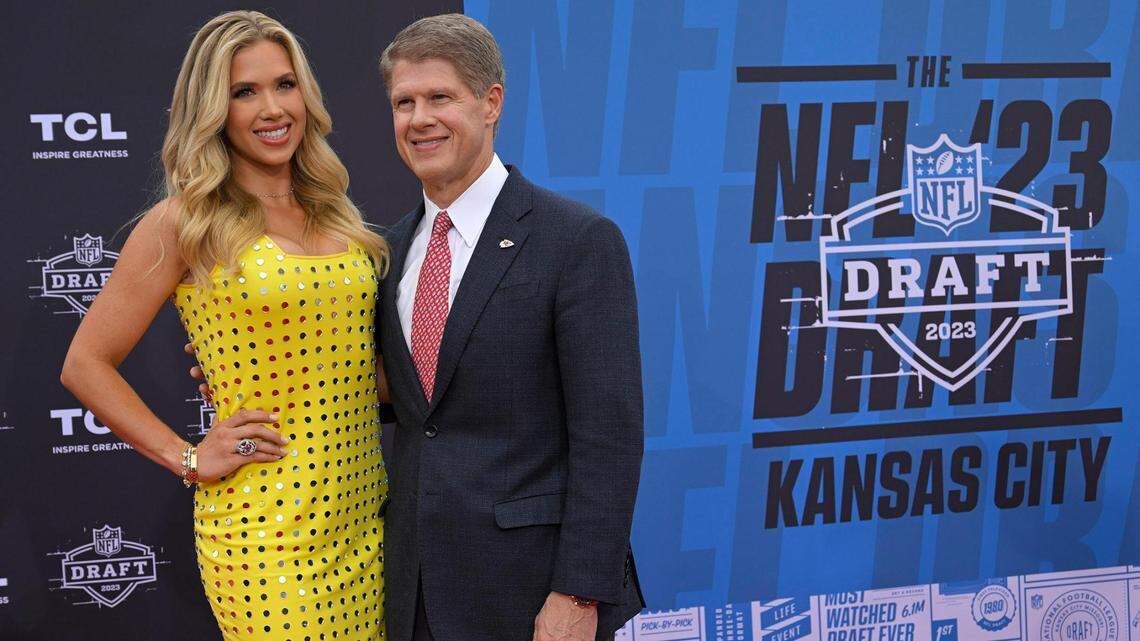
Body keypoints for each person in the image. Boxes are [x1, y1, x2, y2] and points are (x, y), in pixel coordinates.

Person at [60, 11, 390, 641]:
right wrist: (187, 456)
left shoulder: (335, 209)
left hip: (366, 524)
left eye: (284, 84)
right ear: (214, 108)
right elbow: (85, 363)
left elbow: (359, 366)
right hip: (267, 538)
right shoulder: (184, 222)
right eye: (245, 92)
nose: (272, 108)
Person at [377, 14, 644, 641]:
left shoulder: (576, 241)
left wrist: (579, 593)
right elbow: (402, 397)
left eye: (440, 97)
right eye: (404, 102)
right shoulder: (386, 253)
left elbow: (609, 437)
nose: (419, 119)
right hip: (412, 592)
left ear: (491, 102)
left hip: (532, 594)